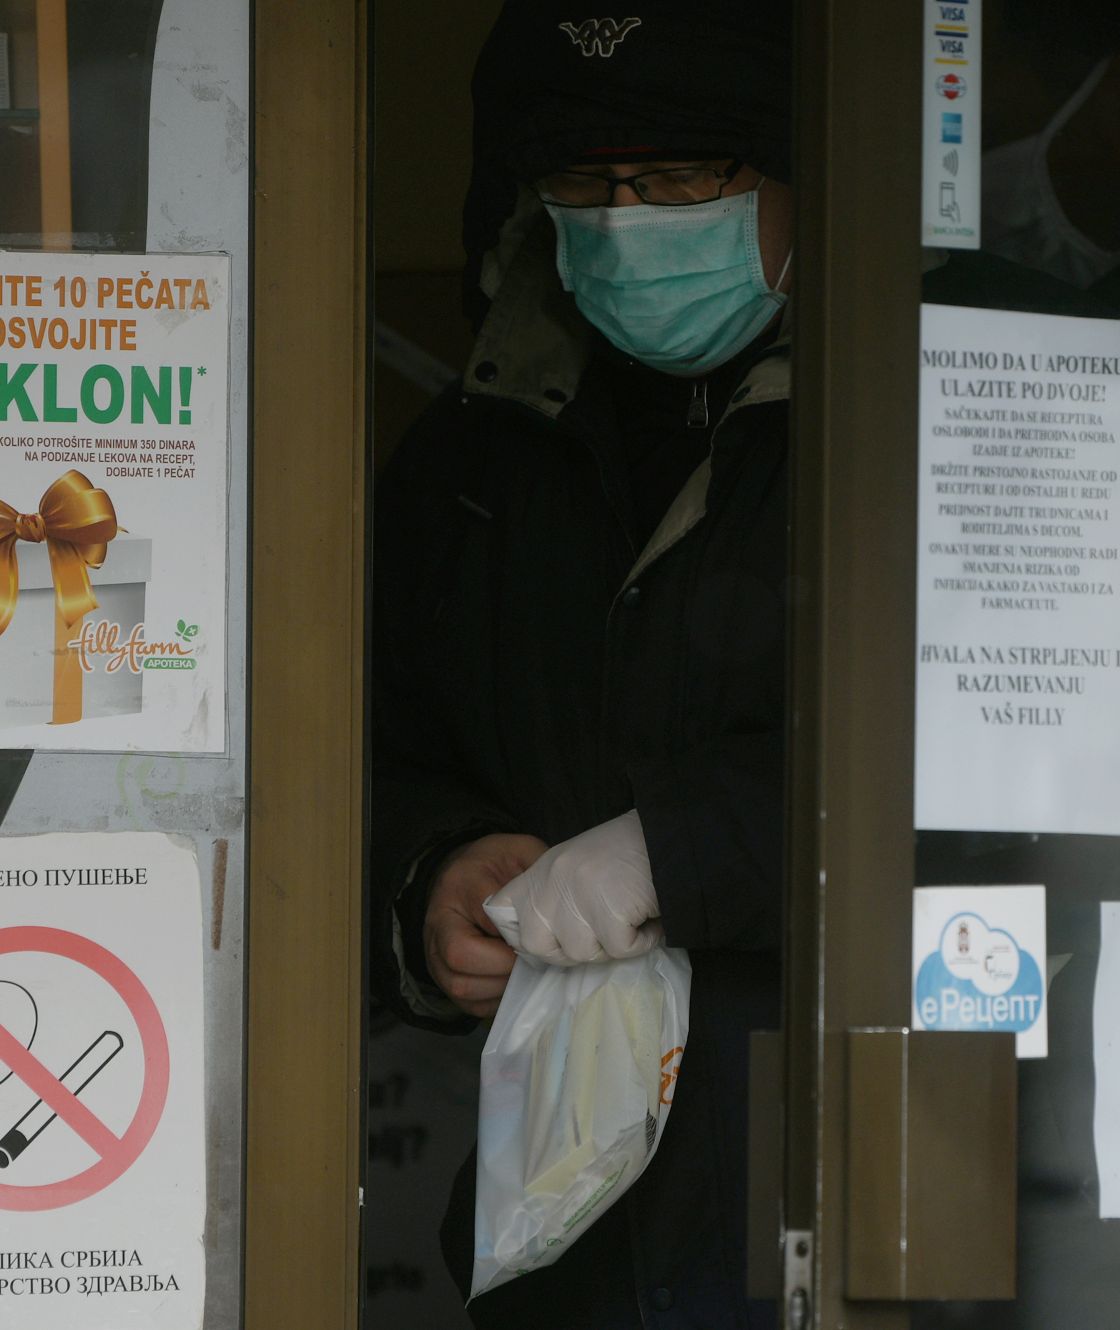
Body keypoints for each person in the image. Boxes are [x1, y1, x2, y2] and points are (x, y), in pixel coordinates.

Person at [368, 2, 793, 1327]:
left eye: (678, 178)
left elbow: (995, 763)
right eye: (584, 185)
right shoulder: (473, 461)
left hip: (824, 1183)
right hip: (564, 1226)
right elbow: (360, 748)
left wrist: (689, 852)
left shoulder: (917, 415)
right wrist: (431, 880)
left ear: (804, 179)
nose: (625, 219)